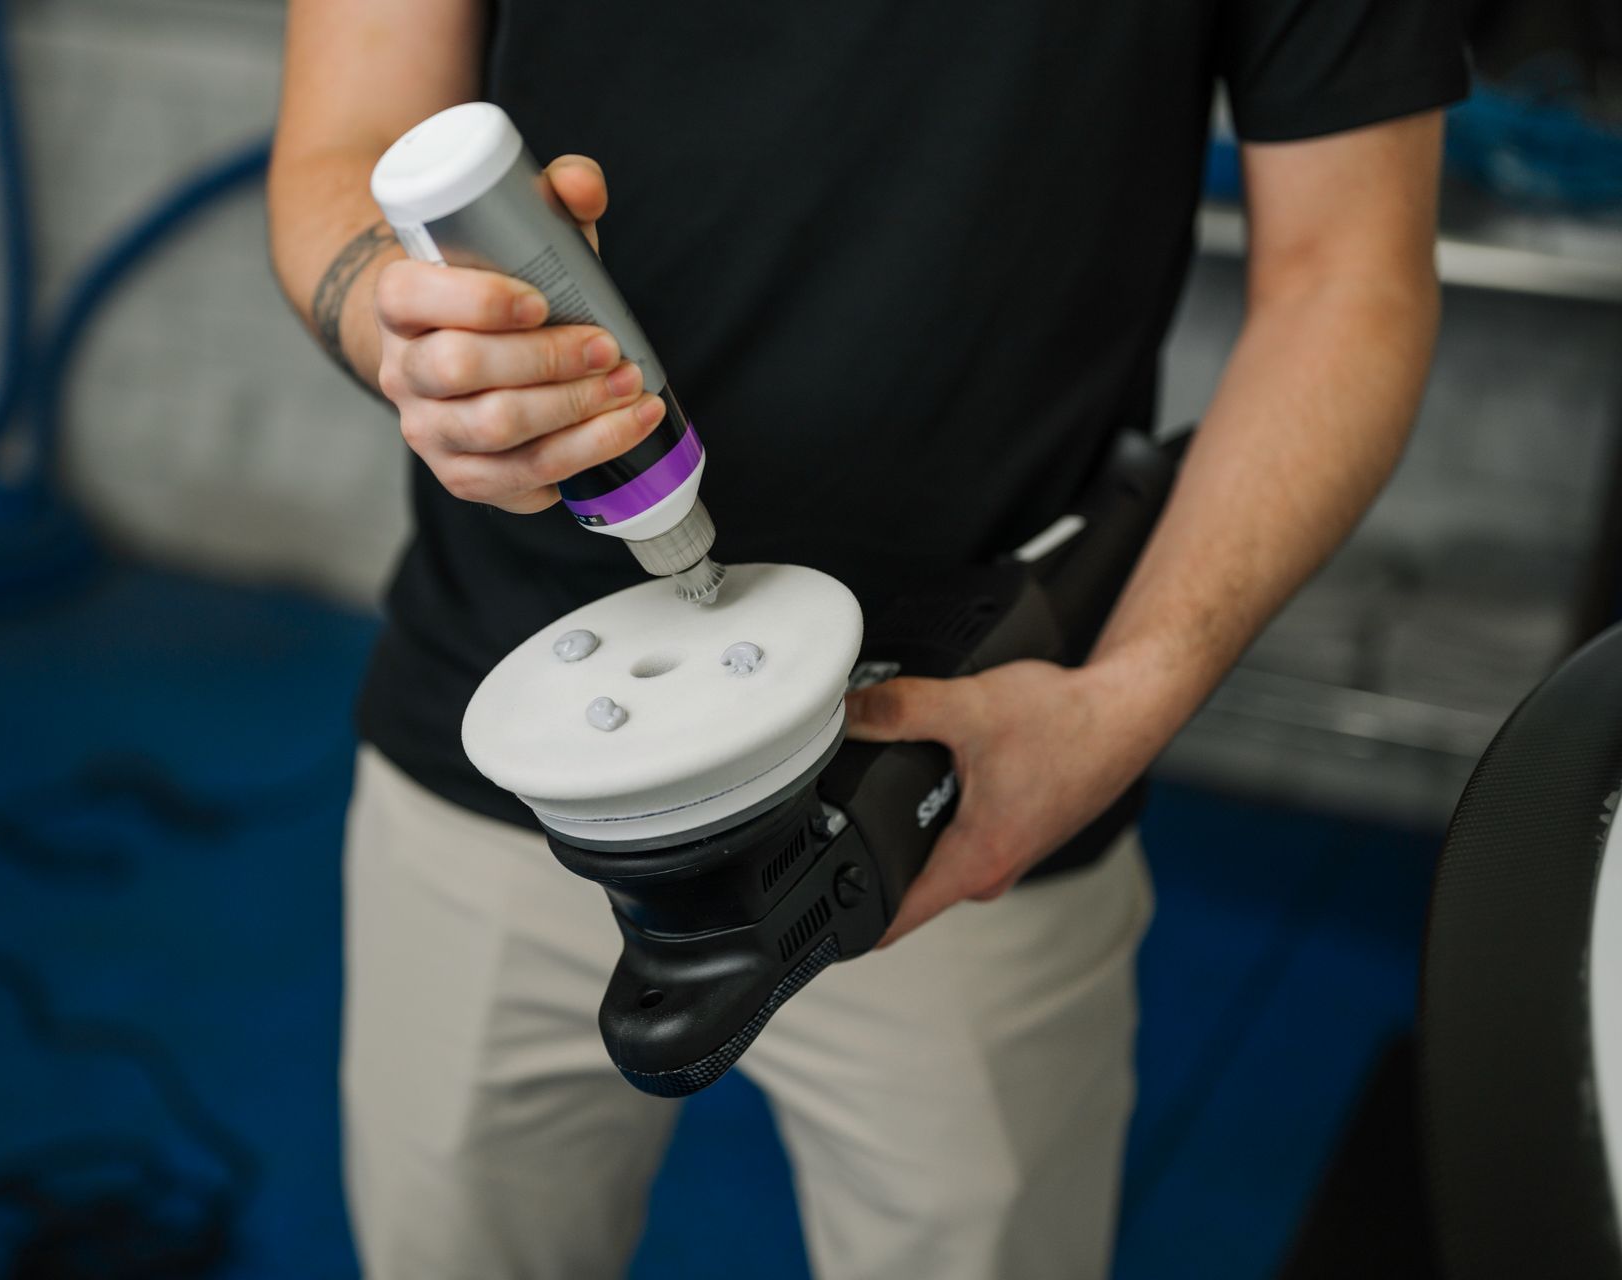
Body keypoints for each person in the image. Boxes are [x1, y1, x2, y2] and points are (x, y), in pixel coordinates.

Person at [267, 3, 1468, 1276]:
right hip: (515, 743)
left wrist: (1121, 700)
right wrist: (412, 339)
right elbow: (348, 138)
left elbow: (1351, 272)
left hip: (974, 775)